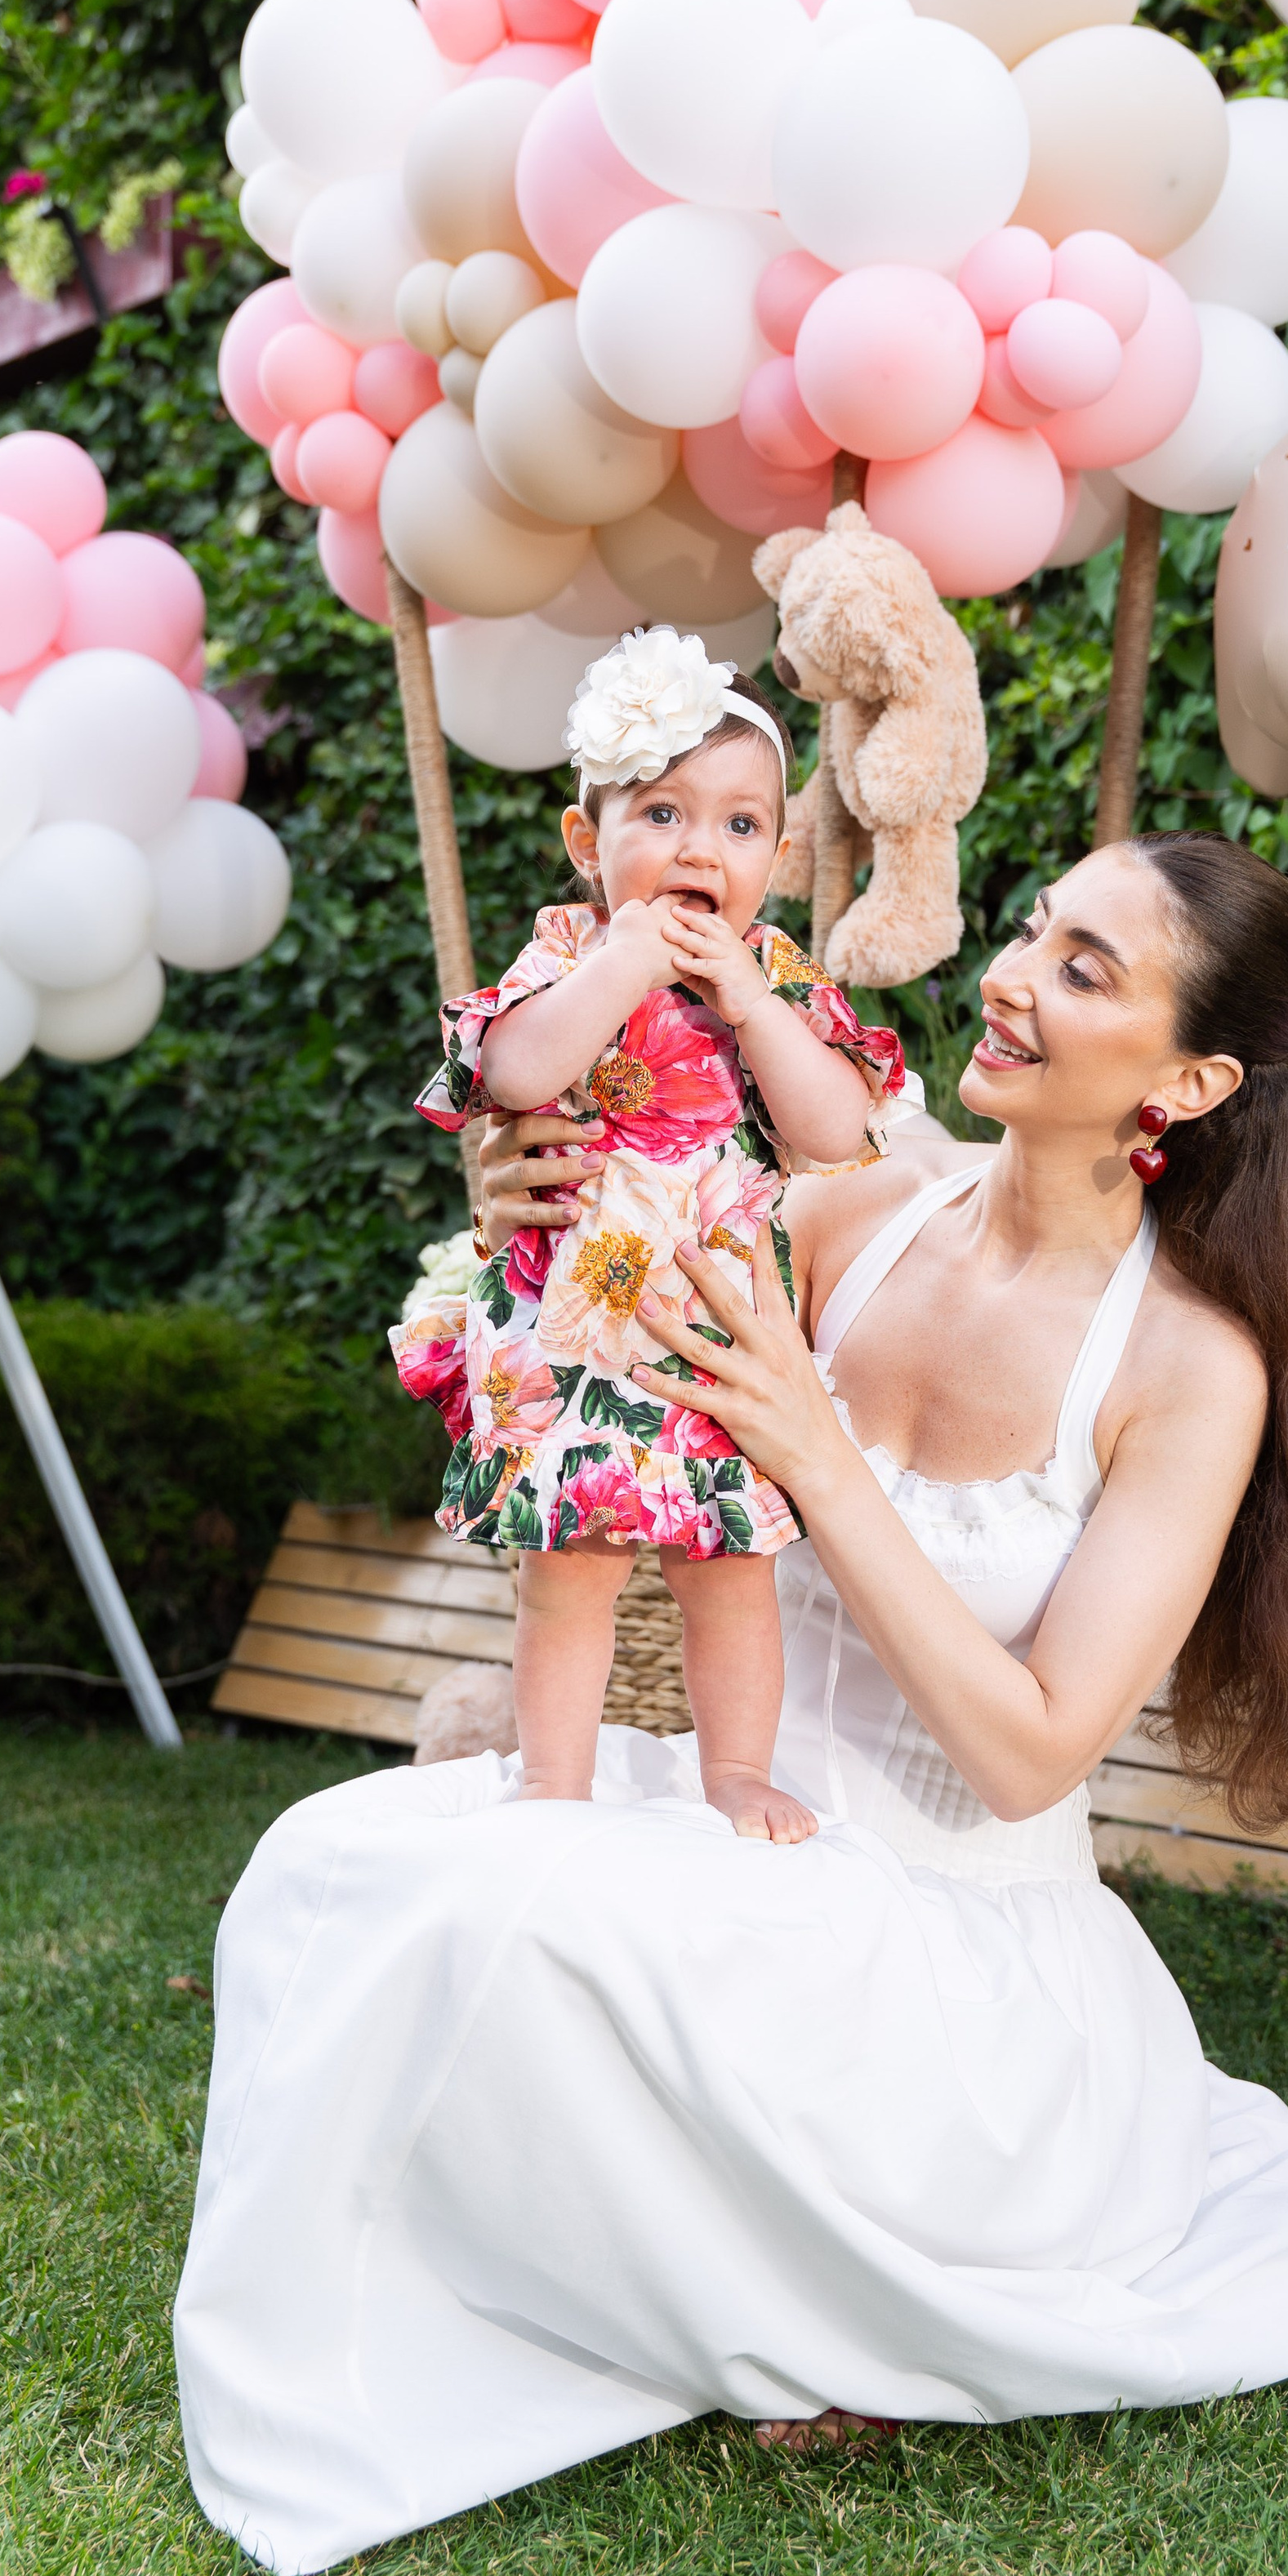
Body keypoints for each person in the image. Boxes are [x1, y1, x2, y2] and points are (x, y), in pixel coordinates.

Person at [175, 831, 1288, 2576]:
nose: (1011, 977)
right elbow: (603, 1315)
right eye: (1033, 932)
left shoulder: (1187, 1366)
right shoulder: (850, 1213)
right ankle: (480, 2267)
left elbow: (1029, 1746)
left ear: (1192, 1079)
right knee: (334, 1855)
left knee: (538, 1903)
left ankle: (749, 2267)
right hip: (738, 1815)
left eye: (1083, 968)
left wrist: (820, 1454)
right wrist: (524, 1206)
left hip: (953, 1952)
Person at [394, 625, 902, 1834]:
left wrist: (750, 1004)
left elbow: (834, 1128)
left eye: (737, 826)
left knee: (729, 1569)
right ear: (590, 842)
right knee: (569, 1569)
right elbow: (514, 1071)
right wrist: (624, 965)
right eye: (662, 814)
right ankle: (554, 1781)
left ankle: (732, 1769)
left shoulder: (773, 975)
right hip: (572, 1333)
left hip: (712, 1336)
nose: (699, 848)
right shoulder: (572, 950)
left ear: (774, 856)